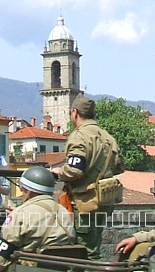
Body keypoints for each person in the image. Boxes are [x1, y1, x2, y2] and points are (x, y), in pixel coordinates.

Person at [51, 95, 125, 260]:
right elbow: (120, 166)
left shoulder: (79, 136)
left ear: (74, 113)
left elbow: (74, 170)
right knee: (94, 247)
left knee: (83, 252)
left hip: (84, 204)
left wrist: (58, 171)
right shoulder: (107, 137)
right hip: (104, 202)